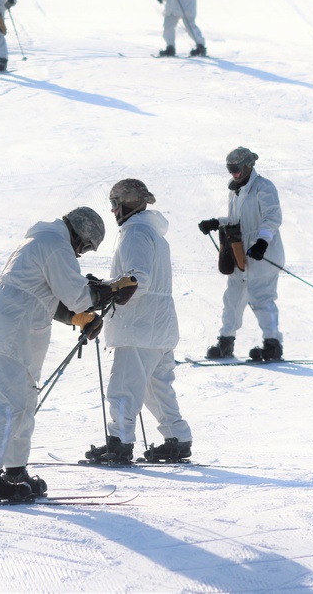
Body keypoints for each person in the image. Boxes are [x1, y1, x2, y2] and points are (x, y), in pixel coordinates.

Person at [0, 207, 136, 501]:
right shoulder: (54, 245)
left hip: (19, 328)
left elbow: (56, 297)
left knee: (24, 401)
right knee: (9, 405)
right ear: (80, 233)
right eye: (86, 246)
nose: (81, 253)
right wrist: (109, 290)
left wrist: (81, 318)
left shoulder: (46, 241)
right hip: (12, 329)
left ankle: (14, 470)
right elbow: (78, 296)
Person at [83, 179, 193, 465]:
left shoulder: (135, 233)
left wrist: (107, 288)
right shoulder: (153, 233)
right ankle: (177, 438)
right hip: (160, 326)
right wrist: (109, 284)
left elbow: (137, 278)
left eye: (114, 204)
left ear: (126, 203)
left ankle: (119, 443)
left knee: (123, 388)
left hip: (139, 327)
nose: (113, 211)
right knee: (155, 387)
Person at [198, 148, 285, 361]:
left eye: (236, 169)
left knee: (262, 299)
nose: (233, 174)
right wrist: (216, 222)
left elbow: (272, 217)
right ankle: (225, 342)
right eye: (230, 170)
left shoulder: (263, 187)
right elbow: (236, 222)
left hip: (262, 256)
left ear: (248, 166)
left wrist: (262, 241)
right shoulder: (235, 192)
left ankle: (273, 345)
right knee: (232, 299)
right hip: (240, 255)